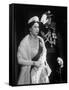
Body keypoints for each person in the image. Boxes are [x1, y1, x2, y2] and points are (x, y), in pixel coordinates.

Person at [17, 16, 51, 85]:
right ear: (30, 29)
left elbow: (43, 55)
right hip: (30, 73)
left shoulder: (40, 39)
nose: (37, 29)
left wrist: (46, 65)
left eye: (38, 27)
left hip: (42, 72)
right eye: (35, 27)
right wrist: (34, 63)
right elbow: (19, 60)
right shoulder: (25, 42)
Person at [40, 11, 64, 83]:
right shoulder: (41, 29)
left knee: (56, 77)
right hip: (45, 57)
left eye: (50, 18)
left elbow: (59, 45)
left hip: (55, 56)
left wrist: (60, 56)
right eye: (48, 18)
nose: (50, 19)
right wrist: (42, 23)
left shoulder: (54, 29)